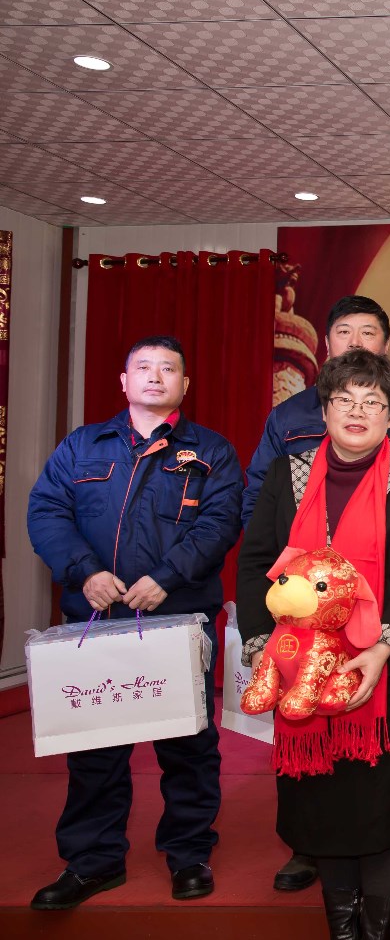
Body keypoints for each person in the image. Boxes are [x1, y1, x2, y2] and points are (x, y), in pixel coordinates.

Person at [235, 349, 390, 940]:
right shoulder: (289, 473)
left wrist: (381, 647)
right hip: (302, 667)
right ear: (323, 410)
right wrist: (261, 646)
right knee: (321, 804)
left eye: (372, 402)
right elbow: (256, 560)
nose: (358, 412)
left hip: (387, 666)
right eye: (344, 401)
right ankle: (344, 937)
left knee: (384, 806)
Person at [26, 336, 243, 909]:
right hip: (96, 619)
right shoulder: (82, 446)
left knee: (188, 744)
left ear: (184, 385)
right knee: (95, 748)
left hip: (177, 620)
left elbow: (221, 522)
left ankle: (189, 853)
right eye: (143, 367)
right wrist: (85, 571)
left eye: (168, 368)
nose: (155, 376)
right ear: (123, 382)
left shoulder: (211, 451)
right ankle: (93, 861)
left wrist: (168, 576)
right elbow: (46, 511)